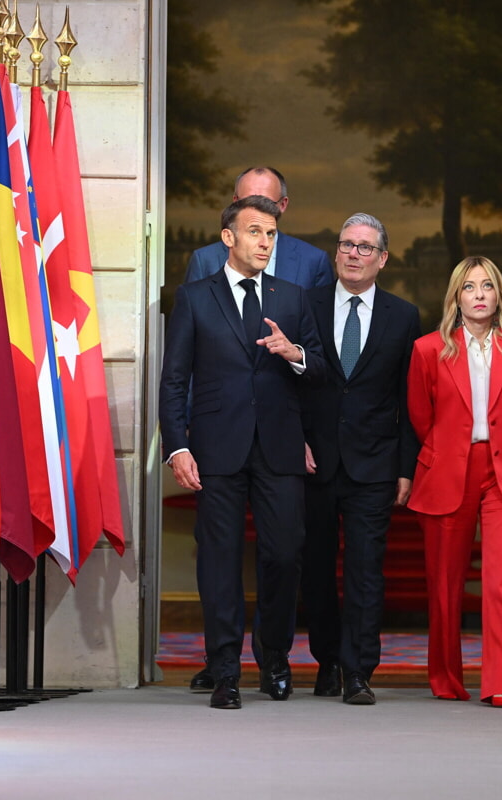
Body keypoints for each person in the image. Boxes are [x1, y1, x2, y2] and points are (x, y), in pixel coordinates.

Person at [160, 195, 325, 710]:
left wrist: (294, 354)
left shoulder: (294, 298)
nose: (265, 242)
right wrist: (178, 446)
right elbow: (174, 380)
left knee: (283, 555)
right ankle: (226, 670)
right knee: (219, 562)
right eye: (255, 232)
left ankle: (274, 659)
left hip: (279, 447)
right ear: (228, 237)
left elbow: (320, 370)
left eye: (272, 233)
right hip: (217, 448)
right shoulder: (195, 296)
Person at [406, 255, 502, 707]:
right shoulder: (428, 349)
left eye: (487, 286)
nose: (479, 295)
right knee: (444, 584)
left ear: (499, 293)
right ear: (456, 297)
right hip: (448, 470)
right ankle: (446, 678)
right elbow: (421, 417)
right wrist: (451, 449)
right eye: (469, 287)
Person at [300, 213, 421, 705]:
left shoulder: (404, 315)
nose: (353, 253)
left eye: (364, 247)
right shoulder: (304, 305)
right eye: (346, 244)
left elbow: (409, 398)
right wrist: (293, 442)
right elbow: (286, 385)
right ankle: (326, 662)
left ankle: (358, 671)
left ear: (383, 259)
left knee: (366, 570)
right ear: (336, 253)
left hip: (374, 463)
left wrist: (406, 467)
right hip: (313, 462)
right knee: (316, 569)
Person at [184, 166, 333, 288]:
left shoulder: (313, 261)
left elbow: (318, 323)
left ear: (282, 205)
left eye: (266, 204)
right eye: (248, 203)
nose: (257, 212)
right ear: (235, 203)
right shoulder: (204, 260)